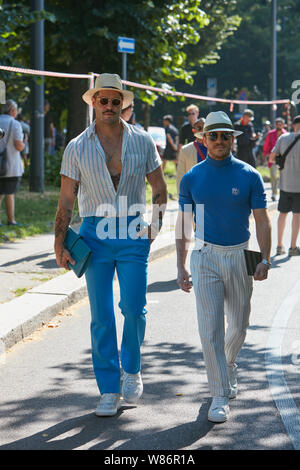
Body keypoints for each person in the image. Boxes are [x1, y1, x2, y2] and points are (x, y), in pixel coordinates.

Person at [54, 73, 167, 417]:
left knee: (134, 308)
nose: (109, 106)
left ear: (123, 104)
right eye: (102, 100)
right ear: (93, 103)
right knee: (101, 316)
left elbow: (160, 190)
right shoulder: (76, 146)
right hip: (94, 235)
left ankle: (131, 369)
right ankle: (108, 388)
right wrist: (59, 242)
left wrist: (154, 229)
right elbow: (65, 201)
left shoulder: (143, 141)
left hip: (133, 232)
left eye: (115, 101)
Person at [176, 111, 271, 423]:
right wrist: (181, 266)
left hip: (241, 254)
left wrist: (265, 258)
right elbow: (184, 223)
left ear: (233, 138)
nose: (219, 140)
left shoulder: (249, 175)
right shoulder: (192, 178)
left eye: (225, 135)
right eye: (213, 135)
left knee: (240, 325)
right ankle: (219, 393)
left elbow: (261, 219)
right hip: (204, 256)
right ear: (204, 138)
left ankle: (228, 364)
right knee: (210, 328)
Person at [269, 115, 300, 256]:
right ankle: (293, 247)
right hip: (299, 187)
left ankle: (279, 245)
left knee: (282, 214)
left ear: (294, 125)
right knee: (297, 216)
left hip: (285, 184)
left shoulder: (283, 138)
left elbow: (271, 157)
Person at [0, 100, 25, 226]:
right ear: (12, 111)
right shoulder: (15, 124)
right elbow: (18, 146)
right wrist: (25, 142)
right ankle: (11, 220)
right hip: (11, 166)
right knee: (9, 193)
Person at [176, 118, 206, 193]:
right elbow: (180, 176)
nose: (202, 130)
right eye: (199, 128)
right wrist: (182, 199)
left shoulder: (215, 148)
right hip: (193, 194)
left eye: (205, 128)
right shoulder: (185, 150)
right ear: (193, 131)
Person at [263, 117, 287, 201]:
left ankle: (282, 193)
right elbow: (266, 144)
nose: (279, 125)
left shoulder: (286, 134)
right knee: (273, 176)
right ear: (275, 125)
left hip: (283, 158)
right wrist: (266, 154)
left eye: (280, 124)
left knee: (283, 176)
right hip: (272, 157)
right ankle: (274, 193)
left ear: (283, 125)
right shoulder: (270, 134)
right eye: (277, 124)